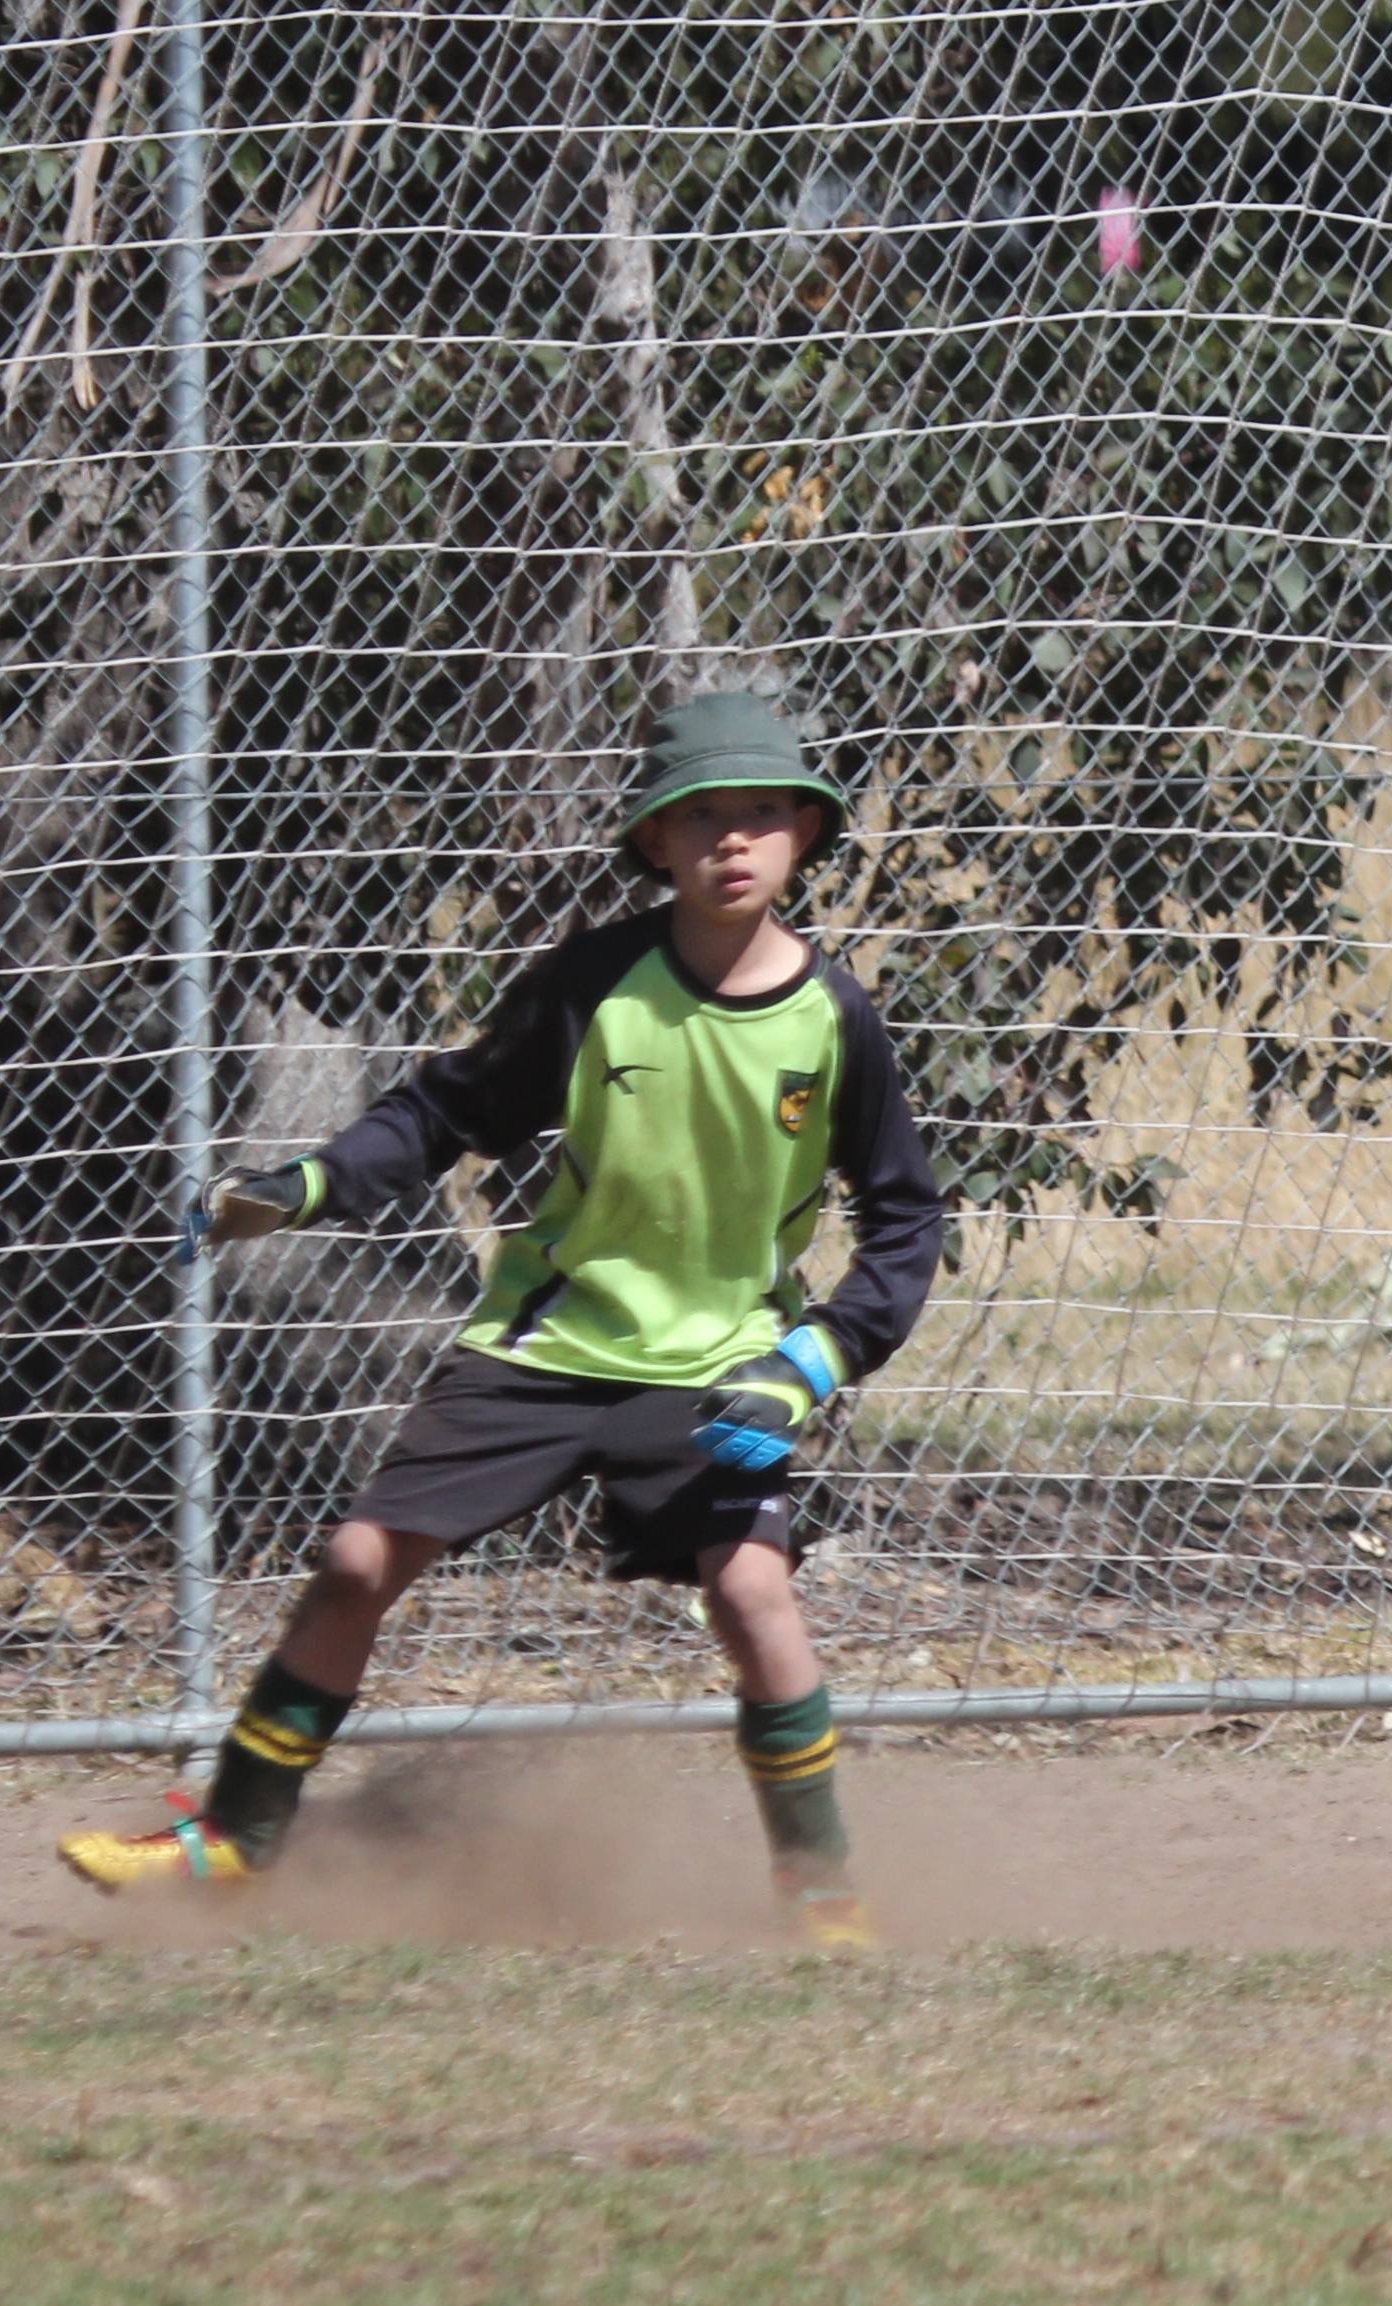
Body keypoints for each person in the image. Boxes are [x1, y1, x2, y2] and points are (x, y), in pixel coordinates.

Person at [57, 691, 948, 1946]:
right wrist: (307, 1185)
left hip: (717, 1371)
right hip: (542, 1349)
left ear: (808, 831)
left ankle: (821, 1892)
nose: (731, 842)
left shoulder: (837, 1020)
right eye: (699, 819)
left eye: (761, 815)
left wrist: (805, 1364)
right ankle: (232, 1839)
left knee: (756, 1602)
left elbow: (908, 1223)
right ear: (653, 842)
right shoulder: (594, 984)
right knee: (359, 1562)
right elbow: (443, 1112)